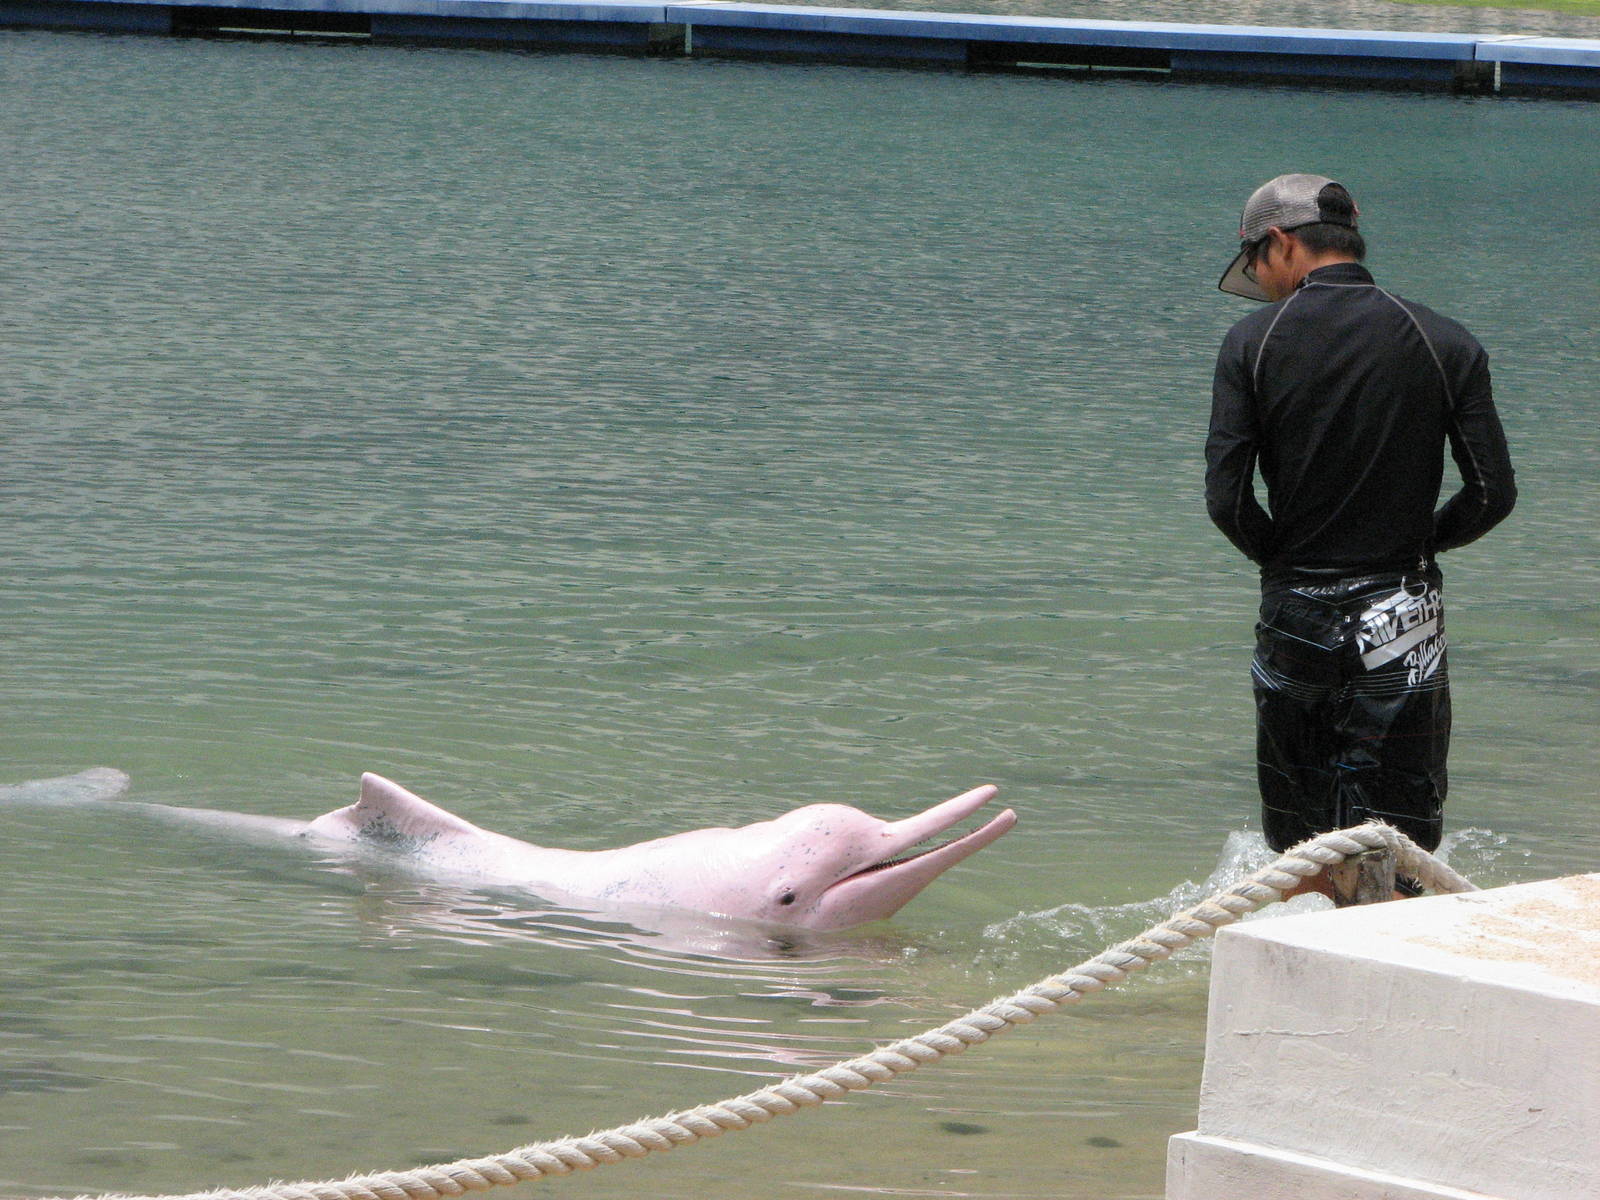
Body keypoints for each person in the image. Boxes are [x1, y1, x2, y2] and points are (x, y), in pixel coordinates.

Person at [1205, 173, 1516, 899]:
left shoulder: (1251, 343)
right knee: (1400, 838)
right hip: (1404, 614)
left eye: (1254, 264)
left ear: (1278, 242)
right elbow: (1492, 494)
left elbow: (1227, 499)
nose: (1259, 281)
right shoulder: (1444, 340)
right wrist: (1419, 546)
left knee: (1298, 839)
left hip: (1296, 615)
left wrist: (1284, 561)